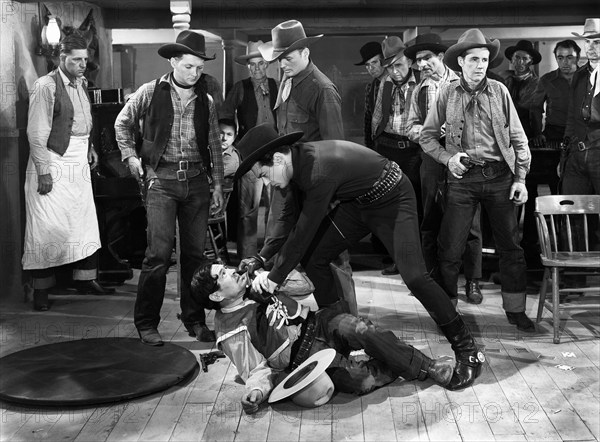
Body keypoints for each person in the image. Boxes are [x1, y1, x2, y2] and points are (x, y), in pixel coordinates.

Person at [234, 123, 485, 391]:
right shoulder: (293, 168)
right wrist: (262, 259)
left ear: (277, 158)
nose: (265, 182)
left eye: (263, 174)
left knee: (416, 278)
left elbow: (303, 232)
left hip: (393, 198)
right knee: (315, 257)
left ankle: (468, 350)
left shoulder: (317, 170)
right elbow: (287, 221)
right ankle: (341, 334)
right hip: (360, 203)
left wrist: (273, 279)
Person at [191, 259, 456, 414]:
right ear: (216, 296)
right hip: (305, 359)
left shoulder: (252, 281)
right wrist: (257, 391)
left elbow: (305, 287)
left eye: (225, 267)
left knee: (362, 329)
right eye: (222, 274)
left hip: (318, 324)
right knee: (360, 382)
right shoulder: (230, 331)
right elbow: (254, 369)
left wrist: (270, 276)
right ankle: (393, 358)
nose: (231, 271)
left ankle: (427, 366)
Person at [114, 30, 224, 346]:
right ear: (174, 61)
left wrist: (217, 184)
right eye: (189, 66)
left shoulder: (207, 99)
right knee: (158, 255)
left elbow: (215, 142)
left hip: (197, 183)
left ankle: (194, 320)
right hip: (161, 181)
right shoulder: (150, 92)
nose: (194, 73)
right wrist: (130, 156)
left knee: (194, 256)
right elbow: (122, 124)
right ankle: (147, 323)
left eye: (199, 68)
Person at [420, 29, 535, 332]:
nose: (480, 65)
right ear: (461, 62)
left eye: (484, 60)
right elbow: (427, 138)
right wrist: (448, 159)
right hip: (462, 179)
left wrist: (520, 178)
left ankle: (515, 310)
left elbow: (518, 139)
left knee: (511, 248)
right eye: (474, 60)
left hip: (499, 178)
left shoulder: (499, 91)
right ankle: (447, 314)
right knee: (450, 249)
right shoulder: (447, 93)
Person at [23, 33, 114, 312]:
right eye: (76, 60)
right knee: (45, 227)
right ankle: (41, 291)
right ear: (61, 58)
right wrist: (44, 172)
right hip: (53, 159)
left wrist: (89, 147)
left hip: (78, 159)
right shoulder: (45, 86)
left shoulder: (81, 83)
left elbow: (81, 120)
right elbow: (36, 133)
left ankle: (85, 279)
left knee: (83, 222)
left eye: (85, 59)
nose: (83, 64)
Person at [404, 33, 483, 304]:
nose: (422, 65)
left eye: (427, 58)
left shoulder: (462, 82)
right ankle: (430, 279)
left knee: (470, 222)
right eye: (417, 61)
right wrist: (425, 131)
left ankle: (472, 281)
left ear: (440, 57)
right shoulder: (419, 90)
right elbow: (410, 126)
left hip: (463, 157)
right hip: (430, 158)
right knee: (430, 219)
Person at [222, 41, 278, 259]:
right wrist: (231, 142)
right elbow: (225, 117)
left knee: (276, 211)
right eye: (252, 65)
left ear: (267, 65)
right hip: (249, 158)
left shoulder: (277, 85)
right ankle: (247, 260)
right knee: (248, 212)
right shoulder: (241, 88)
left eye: (261, 64)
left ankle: (271, 259)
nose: (256, 69)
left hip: (275, 156)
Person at [258, 19, 344, 141]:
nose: (282, 65)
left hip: (310, 160)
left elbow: (335, 145)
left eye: (288, 58)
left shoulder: (323, 90)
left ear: (305, 53)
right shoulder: (288, 77)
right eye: (279, 59)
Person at [562, 18, 600, 196]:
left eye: (597, 42)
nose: (590, 47)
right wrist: (565, 156)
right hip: (577, 152)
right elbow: (571, 117)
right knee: (573, 210)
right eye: (587, 41)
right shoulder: (579, 75)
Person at [356, 41, 386, 149]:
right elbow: (368, 121)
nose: (370, 68)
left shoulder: (397, 83)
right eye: (367, 65)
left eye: (374, 62)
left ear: (383, 61)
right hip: (380, 146)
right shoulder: (371, 88)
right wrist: (370, 148)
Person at [218, 118, 240, 188]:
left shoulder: (232, 159)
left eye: (229, 134)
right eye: (221, 133)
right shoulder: (208, 150)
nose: (224, 138)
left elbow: (209, 178)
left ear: (234, 137)